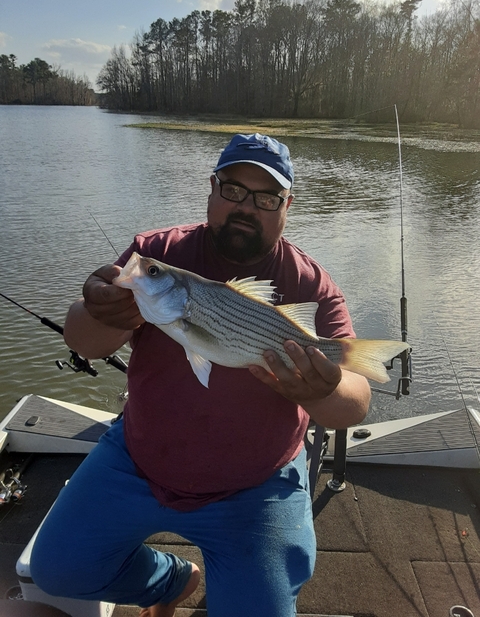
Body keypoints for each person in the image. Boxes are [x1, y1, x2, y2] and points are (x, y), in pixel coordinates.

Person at [31, 133, 371, 617]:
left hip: (259, 484)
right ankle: (169, 580)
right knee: (58, 569)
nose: (246, 207)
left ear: (287, 205)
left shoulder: (311, 284)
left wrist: (326, 388)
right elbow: (84, 341)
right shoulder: (157, 254)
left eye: (266, 198)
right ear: (212, 189)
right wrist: (97, 310)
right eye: (233, 190)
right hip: (137, 458)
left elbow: (355, 402)